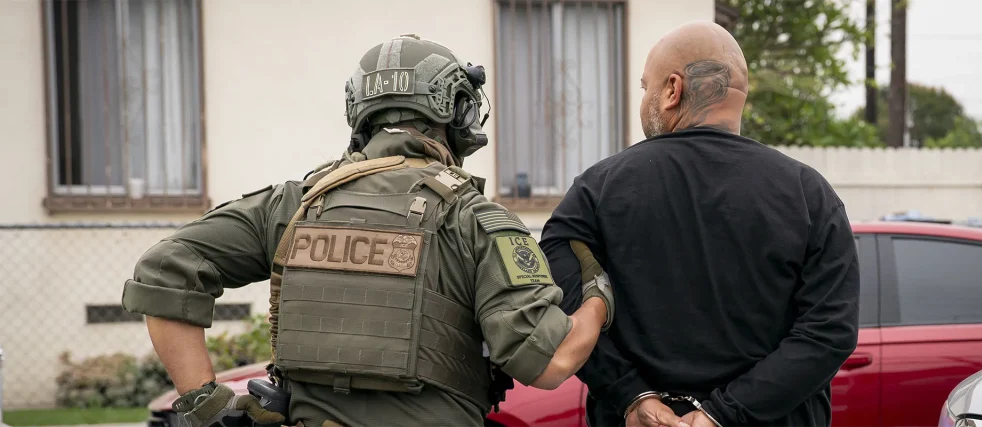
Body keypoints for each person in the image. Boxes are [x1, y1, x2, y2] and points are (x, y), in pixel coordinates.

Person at [121, 34, 614, 427]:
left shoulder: (295, 204)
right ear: (455, 110)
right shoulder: (475, 219)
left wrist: (206, 404)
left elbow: (165, 269)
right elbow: (549, 362)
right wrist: (597, 297)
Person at [539, 21, 860, 427]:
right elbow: (828, 333)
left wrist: (631, 394)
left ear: (672, 90)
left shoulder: (595, 191)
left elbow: (558, 302)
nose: (644, 99)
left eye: (646, 87)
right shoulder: (809, 195)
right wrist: (722, 413)